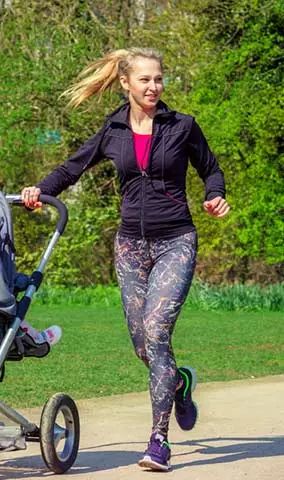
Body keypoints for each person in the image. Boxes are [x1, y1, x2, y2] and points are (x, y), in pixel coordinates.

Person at [22, 47, 230, 472]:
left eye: (158, 79)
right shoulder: (113, 129)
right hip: (130, 246)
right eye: (145, 80)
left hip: (176, 239)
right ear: (126, 83)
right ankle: (178, 382)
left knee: (156, 332)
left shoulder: (182, 126)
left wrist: (214, 195)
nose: (153, 87)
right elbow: (72, 168)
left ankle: (158, 441)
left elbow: (211, 169)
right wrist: (38, 192)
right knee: (143, 347)